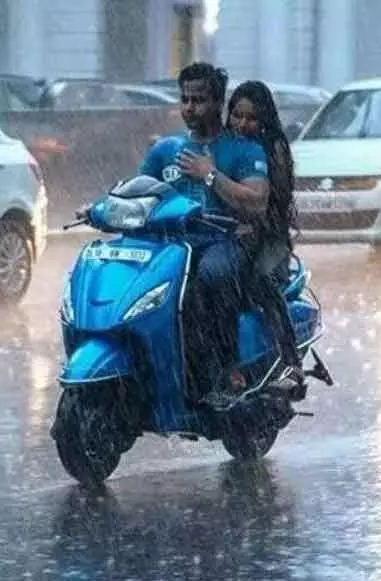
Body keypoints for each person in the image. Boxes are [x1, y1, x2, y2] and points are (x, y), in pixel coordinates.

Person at [136, 62, 270, 405]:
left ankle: (224, 372)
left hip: (224, 243)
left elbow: (256, 203)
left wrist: (210, 175)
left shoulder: (243, 149)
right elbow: (137, 190)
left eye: (198, 100)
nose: (189, 108)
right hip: (172, 246)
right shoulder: (166, 150)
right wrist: (99, 208)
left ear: (217, 103)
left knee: (205, 280)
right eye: (184, 99)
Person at [225, 80, 303, 381]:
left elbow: (274, 203)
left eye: (251, 118)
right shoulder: (221, 146)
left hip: (269, 239)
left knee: (260, 283)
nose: (243, 124)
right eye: (237, 115)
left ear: (264, 119)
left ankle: (289, 358)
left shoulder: (273, 148)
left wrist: (252, 225)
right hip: (225, 235)